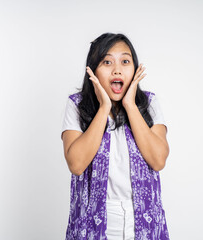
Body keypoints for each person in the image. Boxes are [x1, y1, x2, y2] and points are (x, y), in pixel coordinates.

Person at [61, 33, 170, 240]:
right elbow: (76, 164)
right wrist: (104, 108)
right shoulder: (77, 105)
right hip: (94, 221)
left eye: (125, 61)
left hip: (144, 221)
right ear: (92, 70)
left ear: (135, 69)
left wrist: (129, 105)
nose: (117, 69)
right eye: (107, 62)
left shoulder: (149, 103)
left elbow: (158, 160)